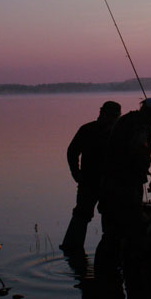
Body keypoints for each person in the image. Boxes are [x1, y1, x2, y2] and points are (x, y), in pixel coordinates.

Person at [96, 97, 151, 299]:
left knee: (112, 233)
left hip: (110, 188)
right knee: (132, 233)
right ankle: (129, 278)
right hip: (123, 190)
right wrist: (141, 171)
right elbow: (136, 156)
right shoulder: (137, 128)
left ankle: (103, 281)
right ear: (149, 114)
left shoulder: (126, 122)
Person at [59, 100, 122, 253]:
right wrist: (76, 173)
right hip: (88, 181)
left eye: (115, 117)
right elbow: (72, 152)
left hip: (109, 183)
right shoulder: (88, 129)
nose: (112, 119)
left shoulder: (118, 132)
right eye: (111, 116)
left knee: (109, 215)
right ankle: (72, 249)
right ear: (102, 114)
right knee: (82, 215)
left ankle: (109, 250)